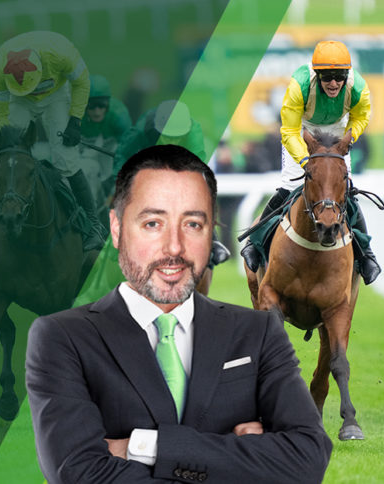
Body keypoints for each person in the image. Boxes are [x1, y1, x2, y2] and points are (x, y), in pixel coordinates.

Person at [26, 144, 332, 484]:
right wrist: (239, 458)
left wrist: (143, 446)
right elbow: (79, 473)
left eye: (193, 224)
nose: (174, 247)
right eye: (153, 223)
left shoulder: (258, 332)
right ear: (116, 229)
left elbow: (307, 459)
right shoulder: (60, 338)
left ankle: (363, 252)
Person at [240, 40, 380, 285]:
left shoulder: (358, 87)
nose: (334, 83)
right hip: (302, 130)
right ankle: (255, 242)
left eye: (339, 77)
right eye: (327, 77)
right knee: (287, 188)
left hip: (337, 130)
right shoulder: (300, 85)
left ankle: (366, 255)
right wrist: (306, 162)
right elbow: (289, 131)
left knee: (346, 192)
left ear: (347, 75)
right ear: (317, 75)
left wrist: (348, 139)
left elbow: (361, 116)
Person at [0, 30, 106, 252]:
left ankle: (94, 226)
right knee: (5, 161)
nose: (33, 93)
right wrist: (6, 141)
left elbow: (81, 82)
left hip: (56, 96)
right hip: (19, 100)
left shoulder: (61, 54)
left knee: (66, 160)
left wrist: (75, 120)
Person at [114, 100, 229, 267]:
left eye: (177, 137)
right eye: (167, 136)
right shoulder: (142, 130)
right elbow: (121, 160)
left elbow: (195, 170)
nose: (172, 142)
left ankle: (213, 241)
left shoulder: (193, 132)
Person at [80, 74, 132, 200]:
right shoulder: (75, 112)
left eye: (101, 105)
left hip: (111, 145)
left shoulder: (119, 117)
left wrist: (113, 178)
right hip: (85, 145)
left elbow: (127, 151)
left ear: (108, 103)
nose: (97, 112)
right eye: (91, 106)